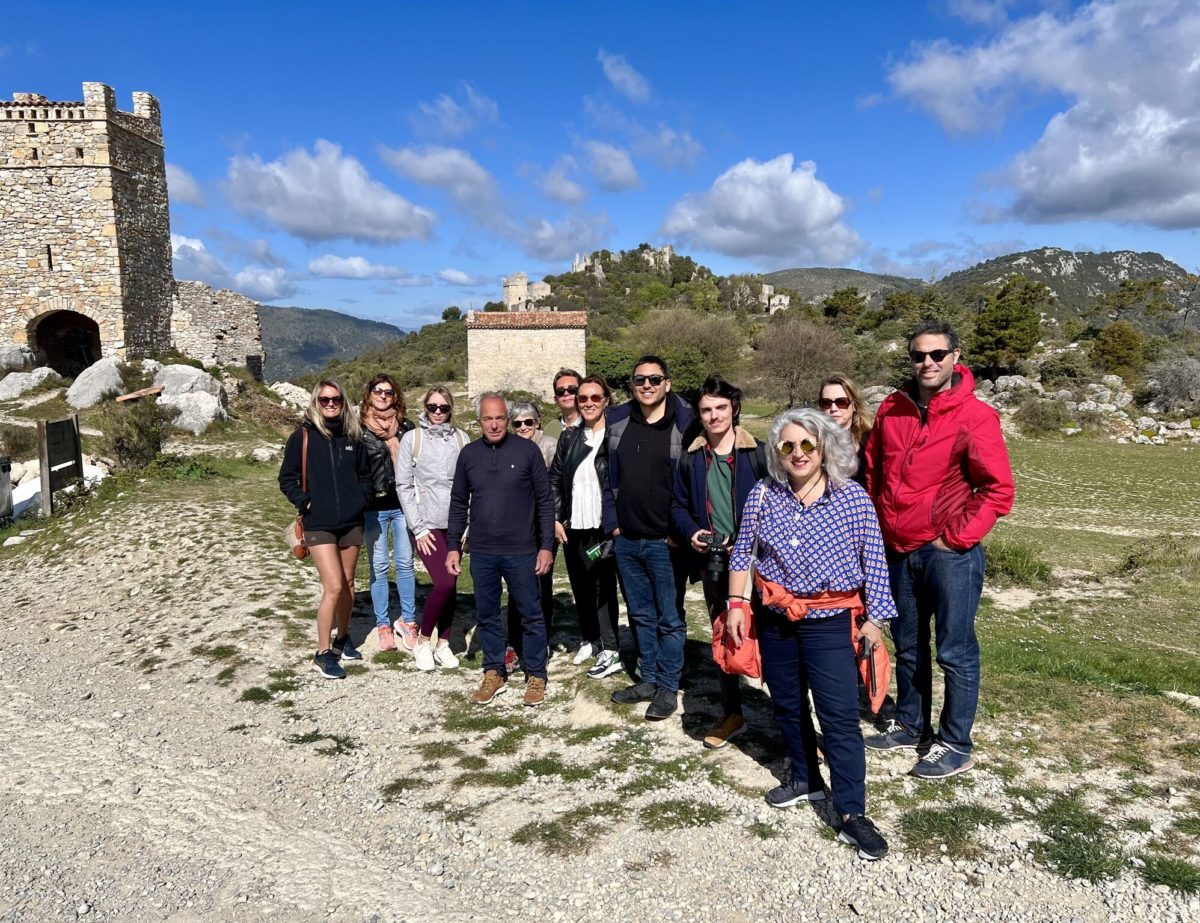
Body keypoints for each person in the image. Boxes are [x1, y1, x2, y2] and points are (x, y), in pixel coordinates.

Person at [725, 407, 896, 861]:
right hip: (777, 620)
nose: (797, 453)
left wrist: (876, 621)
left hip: (831, 622)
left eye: (807, 444)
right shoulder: (763, 495)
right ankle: (805, 780)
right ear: (776, 452)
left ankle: (852, 813)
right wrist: (738, 605)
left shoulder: (853, 498)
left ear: (824, 448)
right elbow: (743, 554)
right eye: (787, 446)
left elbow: (875, 563)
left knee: (838, 716)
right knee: (786, 703)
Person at [863, 320, 1014, 779]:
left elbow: (997, 490)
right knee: (908, 646)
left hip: (948, 555)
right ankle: (911, 726)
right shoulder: (893, 408)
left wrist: (954, 539)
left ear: (955, 357)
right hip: (898, 550)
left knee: (955, 651)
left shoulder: (976, 416)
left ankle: (956, 743)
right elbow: (874, 470)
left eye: (936, 355)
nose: (926, 363)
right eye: (918, 355)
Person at [671, 374, 767, 749]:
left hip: (760, 564)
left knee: (773, 638)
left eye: (720, 408)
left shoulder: (757, 453)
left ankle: (789, 716)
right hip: (713, 562)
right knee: (724, 635)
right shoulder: (691, 458)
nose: (713, 416)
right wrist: (691, 530)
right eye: (706, 410)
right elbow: (676, 504)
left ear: (734, 408)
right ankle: (732, 712)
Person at [447, 392, 556, 707]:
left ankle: (536, 673)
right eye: (487, 418)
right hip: (482, 551)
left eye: (499, 418)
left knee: (531, 614)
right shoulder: (468, 455)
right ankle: (494, 671)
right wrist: (453, 545)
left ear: (507, 420)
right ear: (479, 421)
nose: (494, 424)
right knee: (488, 614)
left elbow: (545, 501)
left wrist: (545, 546)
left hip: (522, 550)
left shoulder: (527, 451)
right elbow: (458, 503)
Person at [604, 355, 694, 721]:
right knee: (640, 614)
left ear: (667, 383)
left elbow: (690, 484)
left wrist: (678, 533)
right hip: (627, 539)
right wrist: (614, 525)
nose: (647, 386)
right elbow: (608, 479)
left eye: (654, 379)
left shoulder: (685, 425)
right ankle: (649, 678)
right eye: (640, 380)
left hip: (665, 541)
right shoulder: (618, 422)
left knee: (669, 618)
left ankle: (668, 687)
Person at [278, 379, 372, 680]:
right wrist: (305, 503)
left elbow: (366, 476)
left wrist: (361, 500)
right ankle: (322, 653)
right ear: (315, 403)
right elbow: (287, 478)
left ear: (343, 402)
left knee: (348, 583)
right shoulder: (302, 437)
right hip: (319, 522)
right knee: (333, 587)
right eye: (324, 400)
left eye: (335, 400)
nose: (330, 404)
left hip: (352, 521)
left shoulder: (353, 437)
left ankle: (342, 639)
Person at [550, 375, 623, 679]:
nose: (589, 403)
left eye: (595, 397)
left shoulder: (617, 437)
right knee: (581, 585)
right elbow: (555, 478)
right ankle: (591, 639)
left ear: (606, 400)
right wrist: (556, 517)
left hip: (603, 528)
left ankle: (611, 649)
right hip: (575, 526)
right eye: (583, 398)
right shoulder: (570, 437)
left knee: (603, 587)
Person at [396, 386, 469, 672]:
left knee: (451, 585)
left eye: (444, 408)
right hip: (425, 525)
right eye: (432, 407)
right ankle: (423, 642)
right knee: (445, 582)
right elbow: (403, 484)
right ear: (425, 408)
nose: (438, 412)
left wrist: (469, 523)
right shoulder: (412, 440)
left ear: (451, 409)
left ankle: (444, 644)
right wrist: (419, 527)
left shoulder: (462, 439)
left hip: (455, 523)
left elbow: (470, 484)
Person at [359, 374, 417, 652]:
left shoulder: (406, 428)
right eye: (378, 391)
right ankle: (383, 625)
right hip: (374, 509)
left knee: (406, 564)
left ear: (396, 396)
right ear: (369, 394)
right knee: (379, 567)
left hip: (403, 506)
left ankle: (408, 621)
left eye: (389, 392)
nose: (383, 396)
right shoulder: (358, 430)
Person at [505, 400, 559, 670]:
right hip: (517, 526)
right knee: (517, 587)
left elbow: (556, 486)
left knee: (542, 584)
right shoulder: (510, 446)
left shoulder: (549, 444)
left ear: (537, 421)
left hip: (542, 525)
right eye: (517, 423)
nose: (524, 426)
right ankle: (514, 642)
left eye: (529, 421)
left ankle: (541, 640)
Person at [819, 374, 871, 485]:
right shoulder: (813, 442)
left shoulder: (870, 442)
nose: (833, 409)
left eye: (841, 402)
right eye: (826, 403)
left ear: (855, 405)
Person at [544, 368, 582, 438]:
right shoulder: (549, 429)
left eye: (572, 390)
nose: (566, 394)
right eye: (560, 391)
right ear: (556, 399)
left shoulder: (592, 425)